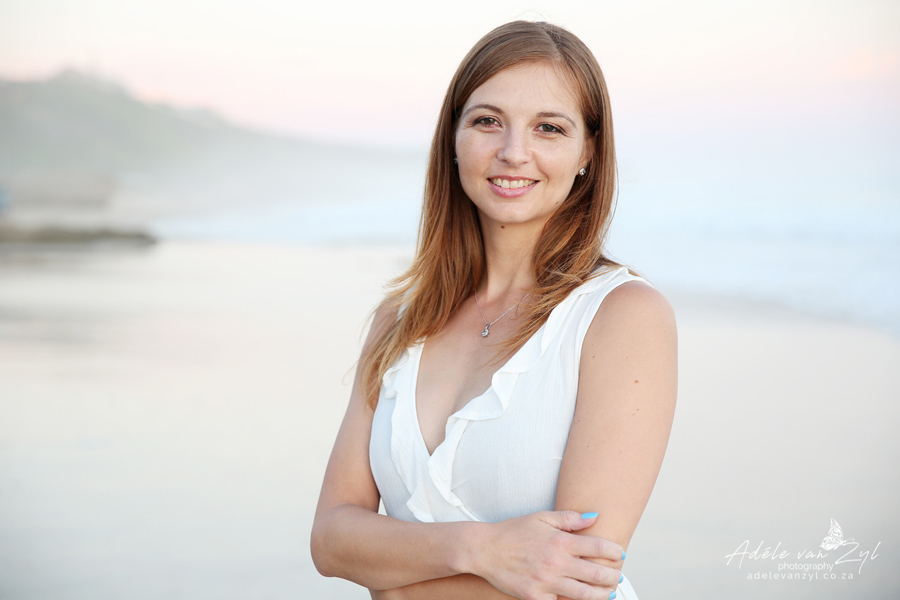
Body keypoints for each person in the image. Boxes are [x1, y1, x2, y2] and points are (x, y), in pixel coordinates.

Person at [311, 20, 677, 600]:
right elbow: (331, 540)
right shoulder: (399, 320)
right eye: (487, 121)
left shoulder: (623, 317)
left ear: (587, 152)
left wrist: (395, 585)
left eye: (549, 128)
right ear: (453, 139)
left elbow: (577, 581)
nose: (513, 152)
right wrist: (480, 548)